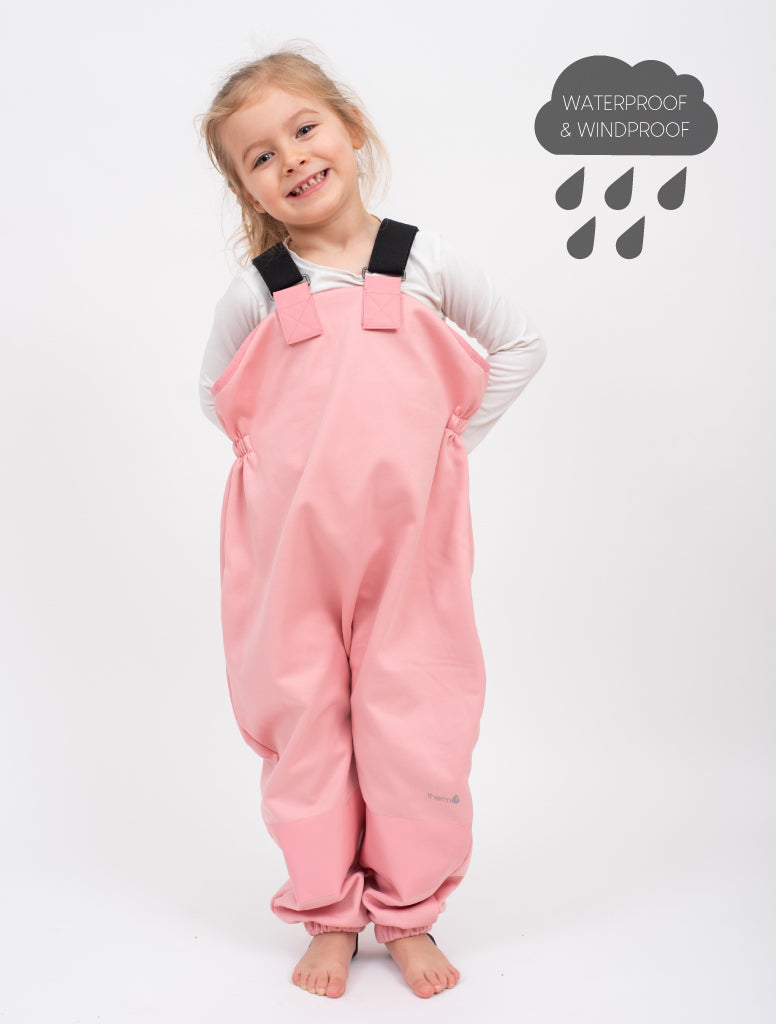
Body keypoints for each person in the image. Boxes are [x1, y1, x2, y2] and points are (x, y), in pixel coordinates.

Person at [197, 47, 547, 1000]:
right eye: (260, 156)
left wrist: (448, 440)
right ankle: (328, 913)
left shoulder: (422, 261)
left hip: (410, 549)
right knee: (304, 722)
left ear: (350, 130)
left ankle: (409, 911)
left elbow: (520, 343)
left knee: (415, 718)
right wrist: (286, 470)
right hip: (290, 556)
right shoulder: (260, 291)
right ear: (247, 189)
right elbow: (217, 396)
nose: (292, 160)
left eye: (305, 129)